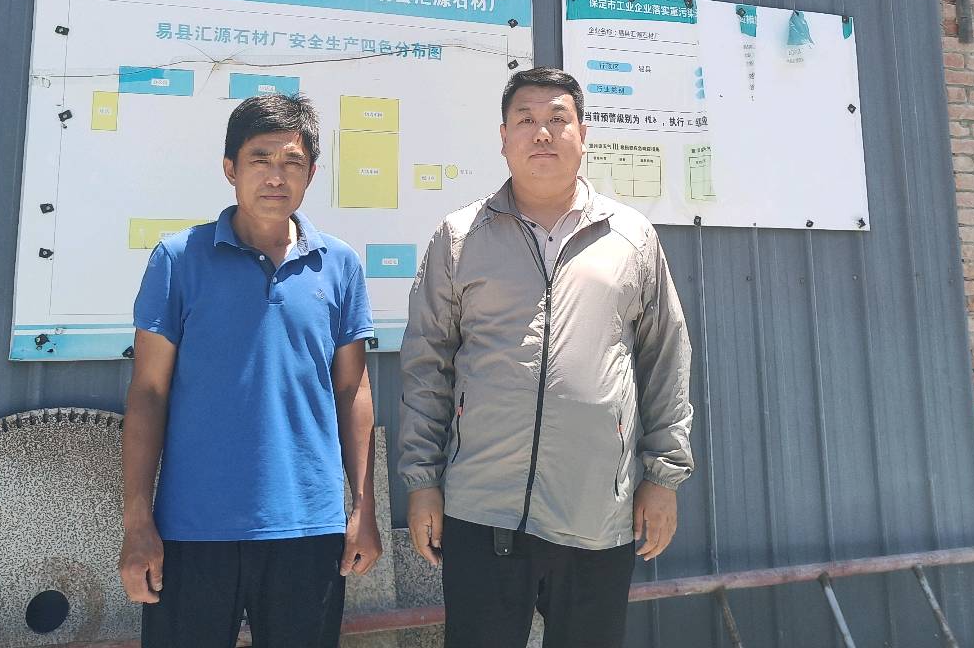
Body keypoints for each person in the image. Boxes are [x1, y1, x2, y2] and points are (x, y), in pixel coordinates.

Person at [399, 67, 693, 648]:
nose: (542, 133)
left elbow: (665, 359)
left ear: (583, 135)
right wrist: (421, 481)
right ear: (502, 137)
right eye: (525, 120)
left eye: (558, 120)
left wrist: (663, 478)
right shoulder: (460, 237)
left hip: (595, 510)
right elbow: (426, 366)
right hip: (483, 507)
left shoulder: (631, 237)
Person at [118, 93, 382, 648]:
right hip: (193, 526)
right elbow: (148, 393)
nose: (275, 176)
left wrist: (364, 506)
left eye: (292, 162)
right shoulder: (178, 259)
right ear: (230, 168)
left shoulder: (339, 265)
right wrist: (137, 521)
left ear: (312, 173)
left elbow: (351, 388)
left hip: (309, 525)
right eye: (260, 159)